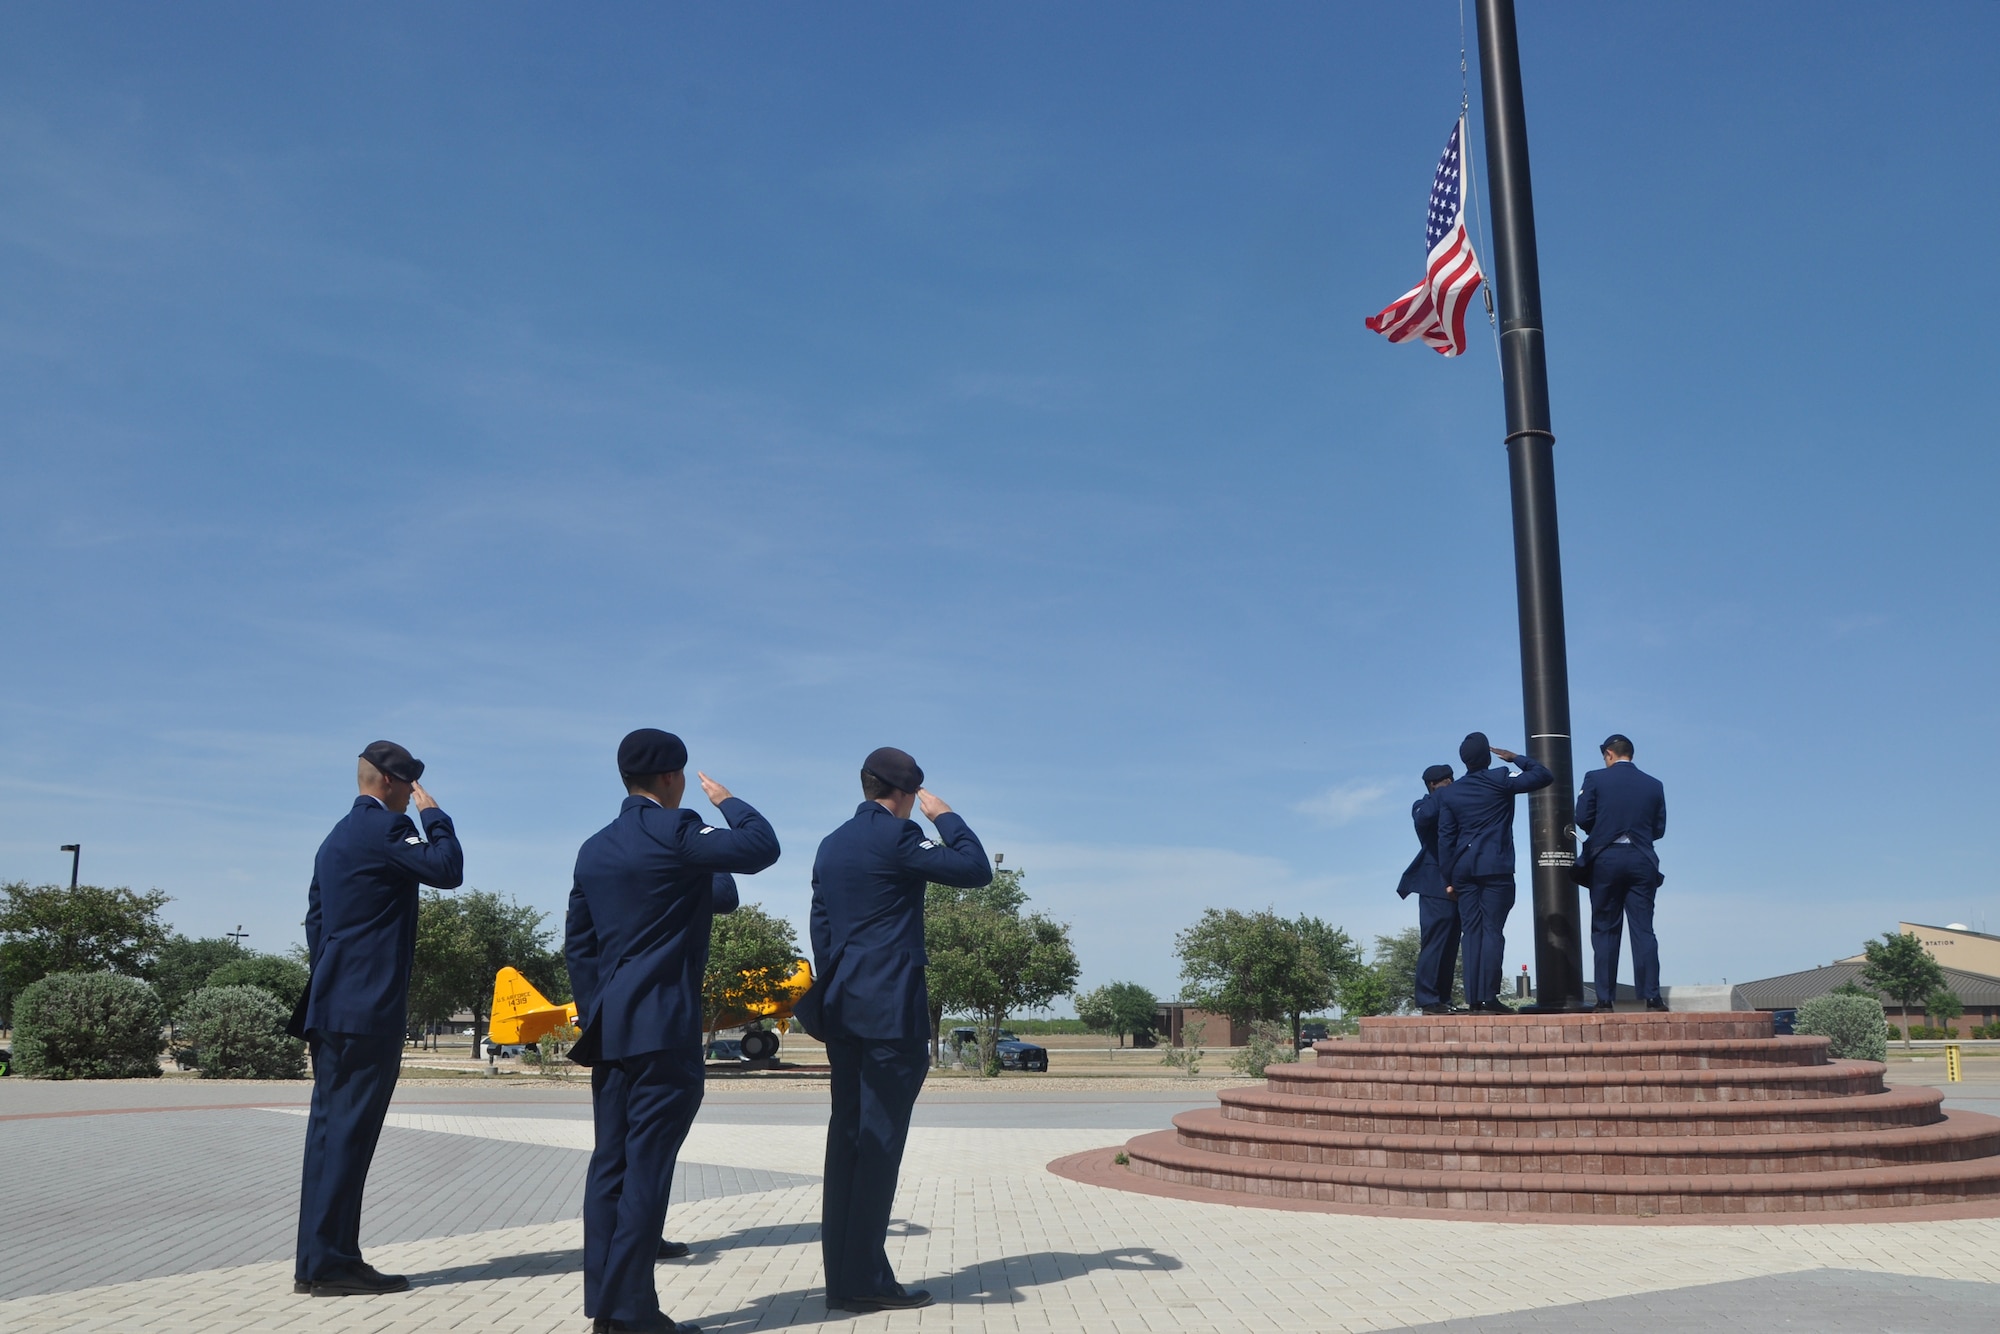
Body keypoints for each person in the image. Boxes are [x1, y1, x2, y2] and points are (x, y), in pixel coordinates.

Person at [566, 729, 780, 1334]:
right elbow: (761, 846)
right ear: (672, 778)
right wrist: (727, 801)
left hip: (609, 1029)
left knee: (610, 1164)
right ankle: (632, 1313)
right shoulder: (679, 828)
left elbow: (579, 943)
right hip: (664, 1029)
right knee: (647, 1171)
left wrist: (598, 1005)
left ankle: (606, 1309)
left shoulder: (595, 847)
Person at [796, 747, 991, 1314]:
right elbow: (975, 868)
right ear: (906, 794)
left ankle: (849, 1276)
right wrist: (946, 817)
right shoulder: (899, 837)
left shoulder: (832, 844)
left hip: (845, 1007)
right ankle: (864, 1283)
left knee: (848, 1143)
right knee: (879, 1146)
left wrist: (840, 983)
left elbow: (822, 925)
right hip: (889, 1012)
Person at [294, 741, 463, 1296]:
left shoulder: (335, 838)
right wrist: (433, 816)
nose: (412, 794)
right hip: (366, 1010)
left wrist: (338, 978)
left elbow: (316, 920)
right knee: (349, 1135)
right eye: (409, 785)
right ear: (391, 783)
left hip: (334, 1003)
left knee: (329, 1135)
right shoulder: (386, 830)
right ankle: (332, 1265)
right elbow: (447, 869)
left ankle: (319, 1259)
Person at [1434, 732, 1551, 1016]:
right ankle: (1488, 997)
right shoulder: (1500, 778)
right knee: (1492, 931)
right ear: (1487, 756)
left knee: (1471, 932)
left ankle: (1474, 999)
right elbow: (1543, 775)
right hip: (1495, 867)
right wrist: (1516, 758)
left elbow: (1445, 839)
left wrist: (1448, 880)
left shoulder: (1450, 793)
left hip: (1463, 870)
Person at [1575, 733, 1668, 1013]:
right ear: (1631, 754)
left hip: (1606, 858)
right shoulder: (1654, 784)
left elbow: (1582, 818)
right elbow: (1659, 829)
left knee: (1605, 929)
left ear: (1609, 754)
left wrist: (1603, 829)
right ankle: (1652, 997)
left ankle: (1604, 999)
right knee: (1643, 930)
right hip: (1642, 859)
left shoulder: (1595, 778)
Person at [1396, 764, 1460, 1015]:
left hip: (1458, 883)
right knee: (1434, 943)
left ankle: (1443, 998)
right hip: (1434, 885)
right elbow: (1423, 819)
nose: (1451, 783)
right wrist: (1443, 794)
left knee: (1451, 945)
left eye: (1453, 779)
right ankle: (1427, 999)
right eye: (1446, 780)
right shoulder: (1423, 805)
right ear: (1433, 785)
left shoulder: (1452, 804)